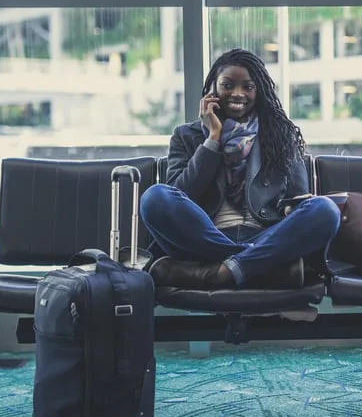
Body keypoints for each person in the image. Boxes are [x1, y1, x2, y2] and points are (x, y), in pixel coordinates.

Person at [140, 48, 341, 290]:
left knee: (325, 210)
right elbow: (181, 195)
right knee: (155, 197)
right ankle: (259, 267)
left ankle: (220, 272)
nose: (238, 93)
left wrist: (291, 209)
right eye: (228, 85)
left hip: (264, 235)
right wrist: (212, 139)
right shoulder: (186, 136)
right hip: (202, 237)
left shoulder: (280, 135)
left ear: (260, 91)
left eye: (248, 86)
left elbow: (298, 199)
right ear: (213, 90)